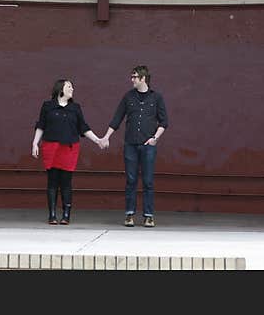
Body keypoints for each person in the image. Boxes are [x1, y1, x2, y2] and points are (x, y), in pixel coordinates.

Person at [101, 65, 168, 227]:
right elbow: (117, 118)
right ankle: (129, 214)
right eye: (131, 77)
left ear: (143, 79)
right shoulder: (128, 97)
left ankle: (148, 215)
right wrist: (106, 137)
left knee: (148, 181)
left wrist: (155, 138)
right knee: (131, 179)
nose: (132, 80)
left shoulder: (156, 98)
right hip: (130, 144)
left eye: (134, 77)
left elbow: (164, 122)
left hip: (148, 145)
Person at [31, 78, 105, 225]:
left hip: (69, 148)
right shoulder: (47, 106)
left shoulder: (75, 108)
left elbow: (83, 127)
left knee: (66, 182)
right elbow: (41, 126)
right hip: (51, 147)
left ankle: (66, 214)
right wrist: (35, 143)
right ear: (60, 89)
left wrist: (97, 140)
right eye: (69, 86)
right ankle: (52, 214)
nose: (72, 89)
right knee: (52, 182)